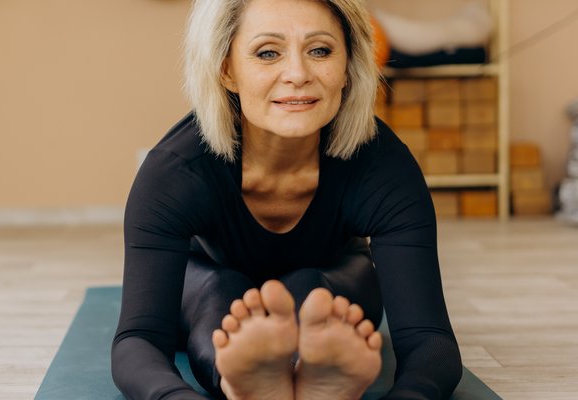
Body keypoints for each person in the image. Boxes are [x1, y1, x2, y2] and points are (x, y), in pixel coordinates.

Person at [112, 0, 463, 398]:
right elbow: (138, 340)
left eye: (320, 50)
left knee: (314, 288)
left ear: (348, 66)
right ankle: (240, 381)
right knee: (218, 289)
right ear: (226, 70)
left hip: (333, 282)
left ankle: (305, 370)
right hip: (205, 280)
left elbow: (430, 340)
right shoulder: (176, 171)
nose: (297, 74)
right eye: (267, 53)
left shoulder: (383, 167)